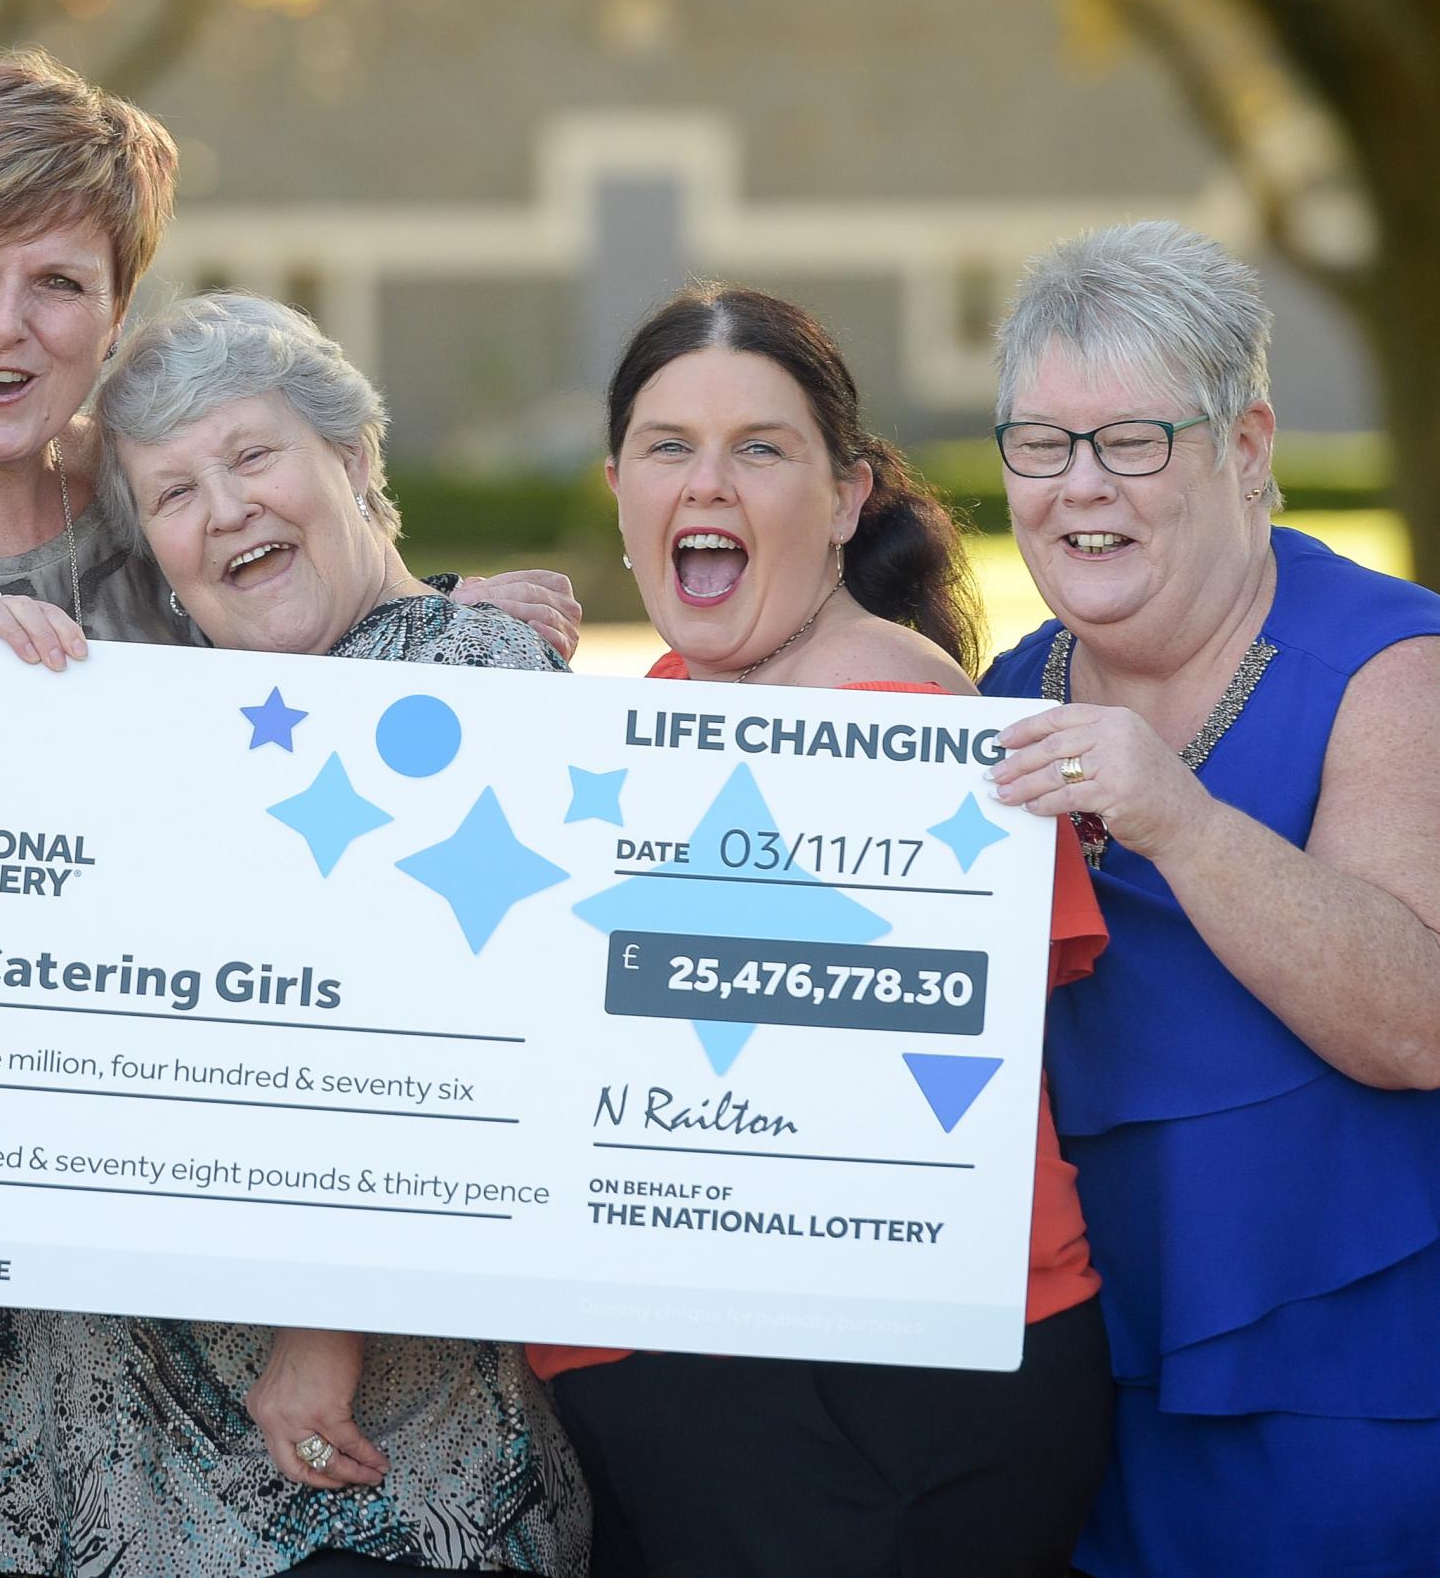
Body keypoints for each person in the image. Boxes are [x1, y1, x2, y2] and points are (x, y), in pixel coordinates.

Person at [0, 49, 582, 1577]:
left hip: (146, 1265)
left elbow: (308, 684)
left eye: (59, 282)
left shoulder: (145, 509)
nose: (6, 321)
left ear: (116, 312)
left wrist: (438, 622)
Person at [0, 289, 589, 1578]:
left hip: (331, 1471)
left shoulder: (471, 681)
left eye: (252, 456)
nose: (223, 509)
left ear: (352, 459)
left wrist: (328, 1321)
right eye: (173, 495)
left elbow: (481, 1056)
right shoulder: (185, 717)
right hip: (118, 1459)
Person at [531, 283, 1113, 1577]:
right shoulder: (667, 709)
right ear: (619, 486)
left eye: (761, 448)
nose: (708, 484)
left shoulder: (894, 715)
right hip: (726, 1387)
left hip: (883, 1397)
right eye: (670, 447)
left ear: (847, 498)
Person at [978, 223, 1440, 1576]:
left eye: (1133, 441)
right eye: (1039, 444)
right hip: (1077, 1387)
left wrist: (1172, 812)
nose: (1077, 487)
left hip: (1351, 1393)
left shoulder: (1390, 669)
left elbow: (1416, 1021)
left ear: (1246, 444)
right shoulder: (1010, 692)